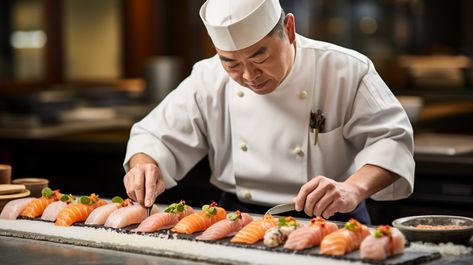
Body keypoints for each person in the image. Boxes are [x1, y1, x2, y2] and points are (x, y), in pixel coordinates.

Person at [123, 0, 415, 224]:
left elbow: (391, 140)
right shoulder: (207, 76)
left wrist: (353, 189)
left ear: (288, 30)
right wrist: (144, 165)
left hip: (331, 217)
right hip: (237, 219)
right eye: (232, 63)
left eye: (259, 55)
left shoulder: (345, 69)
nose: (249, 76)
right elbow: (154, 136)